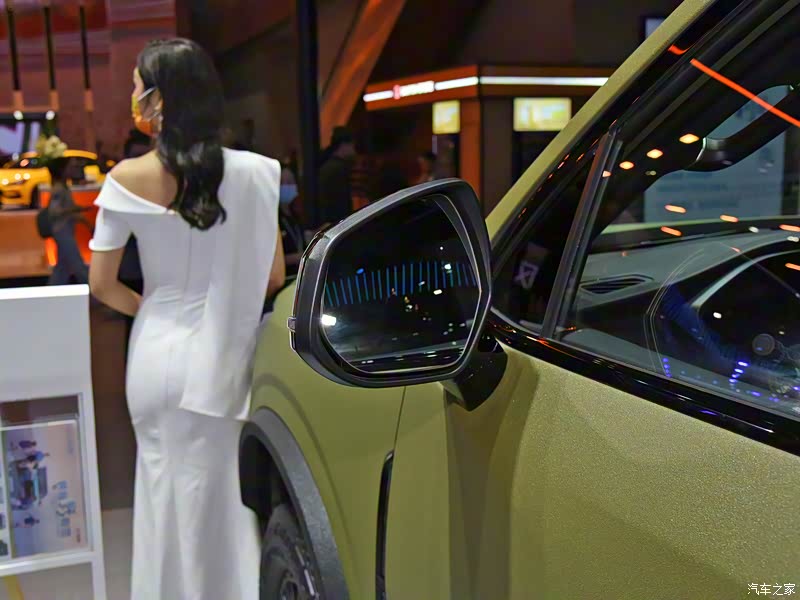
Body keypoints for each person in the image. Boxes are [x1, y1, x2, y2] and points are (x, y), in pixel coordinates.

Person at [88, 38, 284, 600]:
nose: (132, 97)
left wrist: (151, 309)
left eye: (136, 86)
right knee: (222, 500)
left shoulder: (126, 177)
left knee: (159, 494)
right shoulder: (255, 174)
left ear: (159, 98)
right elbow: (272, 276)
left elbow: (102, 284)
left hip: (154, 354)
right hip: (223, 355)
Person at [47, 156, 92, 286]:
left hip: (64, 230)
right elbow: (55, 211)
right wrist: (74, 209)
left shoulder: (62, 187)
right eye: (70, 167)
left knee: (62, 268)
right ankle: (93, 290)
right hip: (62, 231)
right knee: (77, 264)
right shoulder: (59, 189)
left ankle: (52, 292)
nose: (73, 170)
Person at [318, 125, 356, 226]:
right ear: (343, 145)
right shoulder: (338, 169)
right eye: (351, 144)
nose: (353, 148)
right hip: (338, 223)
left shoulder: (328, 166)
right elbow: (341, 203)